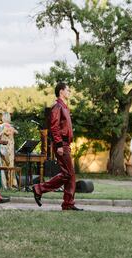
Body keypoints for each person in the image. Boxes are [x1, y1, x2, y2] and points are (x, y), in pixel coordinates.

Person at [32, 82, 82, 211]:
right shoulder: (57, 106)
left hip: (66, 144)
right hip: (61, 144)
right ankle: (40, 189)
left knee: (69, 174)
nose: (69, 92)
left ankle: (68, 203)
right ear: (61, 91)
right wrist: (59, 144)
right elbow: (54, 127)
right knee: (68, 174)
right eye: (68, 90)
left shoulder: (64, 107)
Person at [0, 112, 18, 189]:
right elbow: (17, 132)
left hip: (3, 147)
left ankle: (4, 184)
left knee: (2, 165)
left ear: (3, 118)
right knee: (10, 165)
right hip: (11, 149)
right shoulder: (12, 127)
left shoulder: (0, 126)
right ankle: (11, 184)